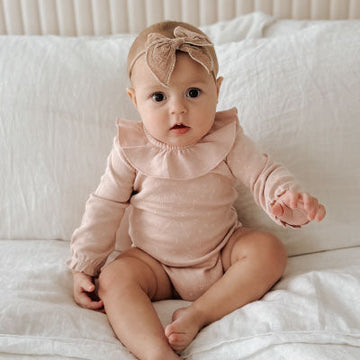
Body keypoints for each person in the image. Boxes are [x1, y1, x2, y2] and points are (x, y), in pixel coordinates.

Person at [68, 21, 326, 360]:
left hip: (221, 253)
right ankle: (155, 351)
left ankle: (198, 314)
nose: (178, 109)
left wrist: (285, 197)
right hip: (153, 263)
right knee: (114, 277)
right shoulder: (130, 149)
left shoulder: (226, 137)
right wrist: (85, 264)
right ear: (135, 100)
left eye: (193, 93)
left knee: (269, 249)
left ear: (216, 90)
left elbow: (262, 173)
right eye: (158, 96)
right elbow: (105, 204)